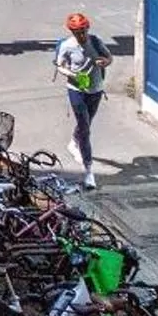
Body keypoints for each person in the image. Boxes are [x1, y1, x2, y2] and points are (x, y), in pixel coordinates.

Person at [55, 11, 115, 189]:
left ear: (87, 29)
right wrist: (72, 74)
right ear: (72, 32)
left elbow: (109, 57)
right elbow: (59, 65)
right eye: (77, 32)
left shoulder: (95, 41)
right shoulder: (67, 45)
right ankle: (89, 172)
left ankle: (74, 140)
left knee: (87, 122)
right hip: (76, 90)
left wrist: (104, 62)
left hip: (95, 89)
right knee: (85, 129)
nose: (81, 35)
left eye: (83, 31)